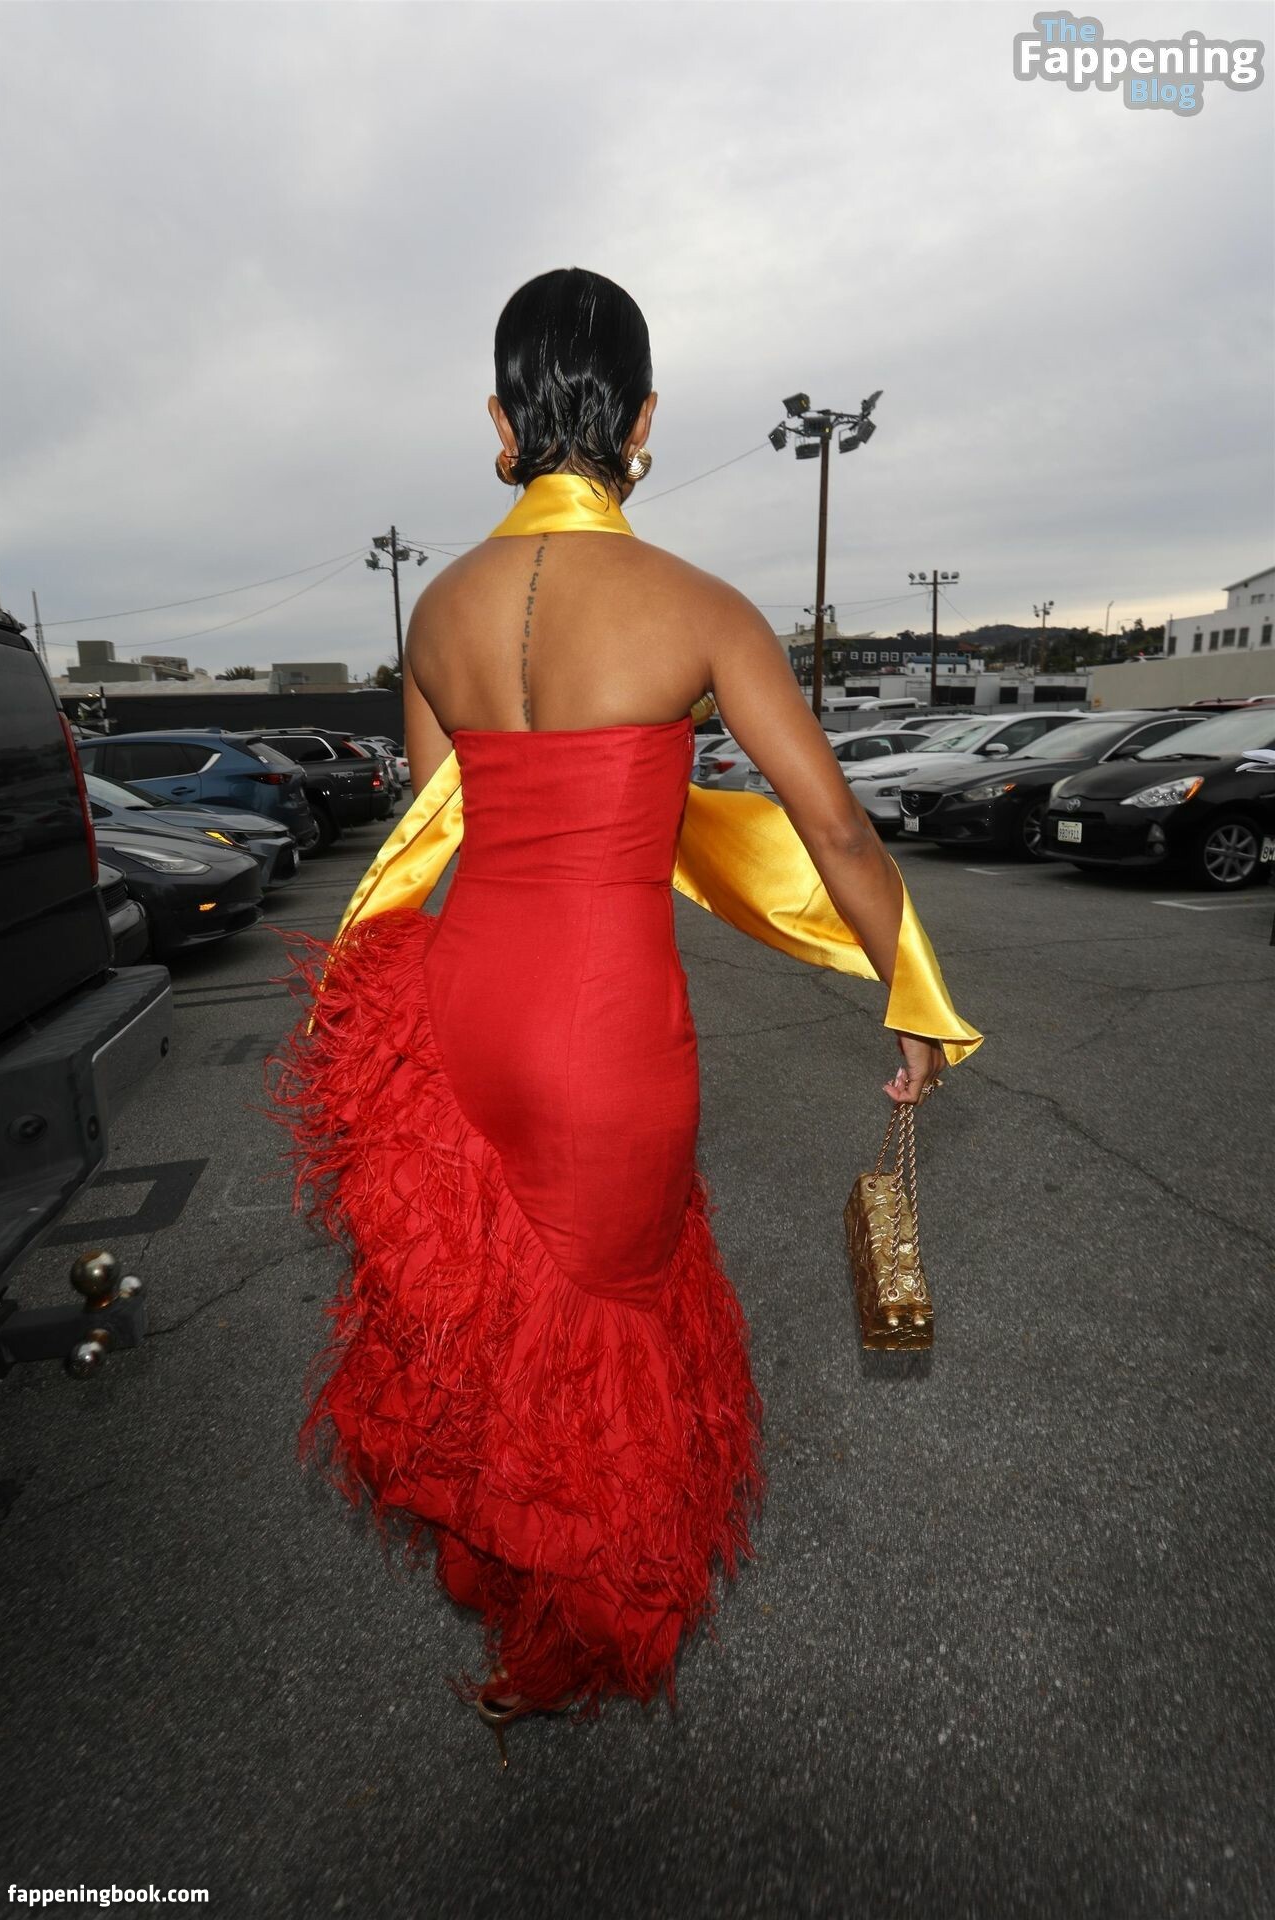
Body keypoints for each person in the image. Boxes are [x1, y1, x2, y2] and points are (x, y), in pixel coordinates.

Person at [270, 266, 982, 1768]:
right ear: (644, 420)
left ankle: (522, 1628)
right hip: (606, 1034)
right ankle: (569, 1644)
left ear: (500, 420)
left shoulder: (439, 610)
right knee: (606, 1347)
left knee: (497, 1337)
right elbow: (837, 831)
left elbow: (437, 822)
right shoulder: (701, 610)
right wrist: (912, 997)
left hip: (460, 1011)